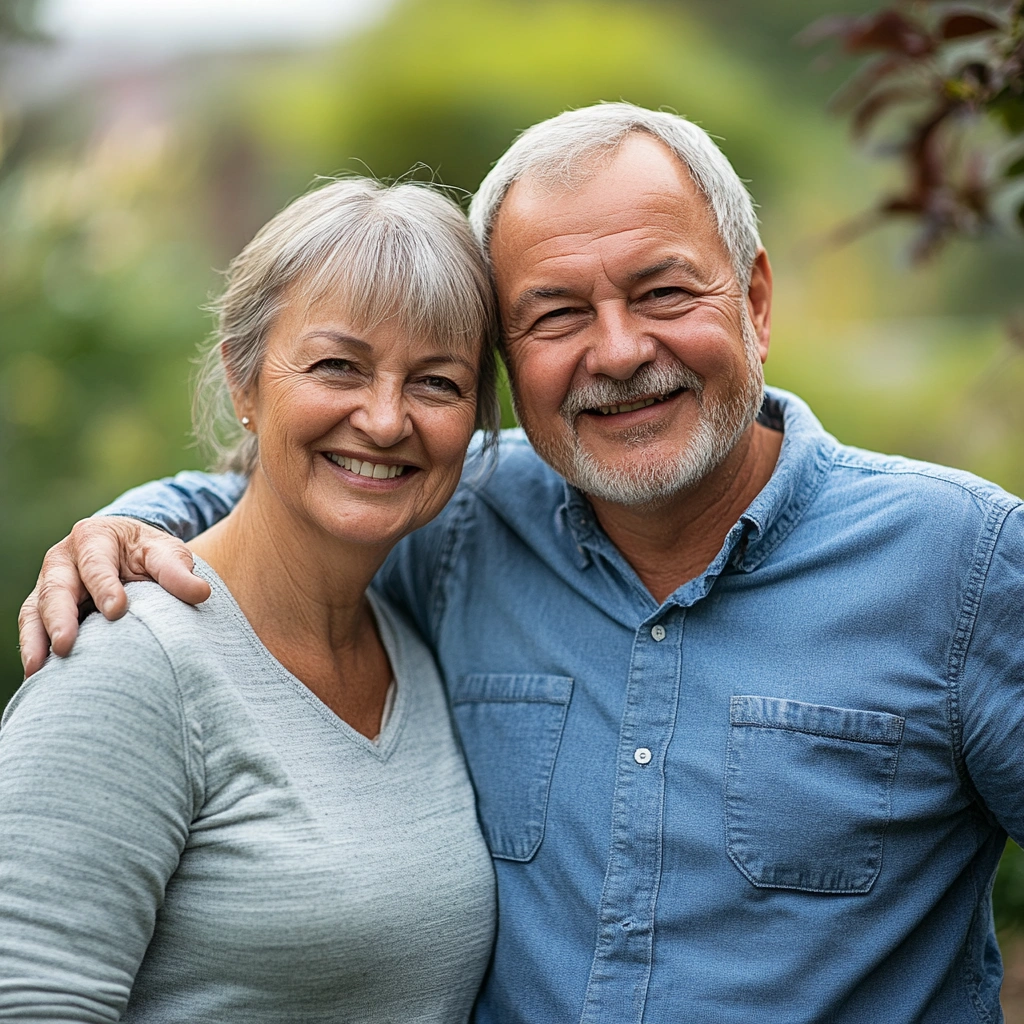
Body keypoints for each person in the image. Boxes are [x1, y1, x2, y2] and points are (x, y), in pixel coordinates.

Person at [17, 103, 1024, 1024]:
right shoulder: (458, 524)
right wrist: (127, 523)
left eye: (662, 291)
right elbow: (299, 498)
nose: (620, 350)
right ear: (512, 359)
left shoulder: (964, 566)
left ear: (754, 299)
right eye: (556, 314)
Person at [1, 177, 499, 1021]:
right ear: (243, 380)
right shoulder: (130, 662)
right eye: (338, 365)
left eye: (436, 383)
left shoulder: (412, 642)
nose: (384, 420)